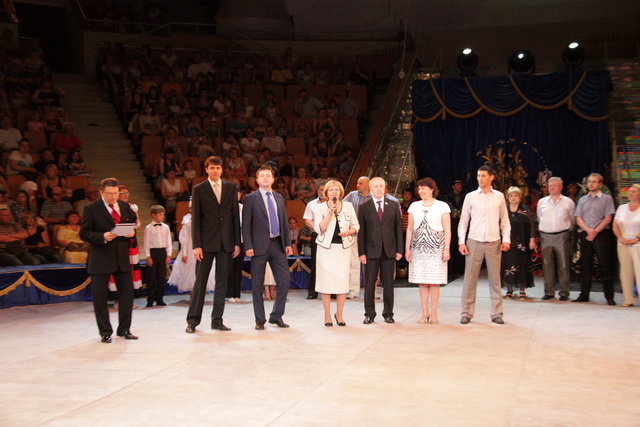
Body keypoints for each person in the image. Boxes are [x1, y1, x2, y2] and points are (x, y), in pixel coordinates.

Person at [185, 156, 241, 334]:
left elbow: (234, 217)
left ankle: (217, 320)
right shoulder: (199, 189)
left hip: (226, 242)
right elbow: (196, 219)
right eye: (212, 168)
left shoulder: (231, 187)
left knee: (222, 283)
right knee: (200, 282)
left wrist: (236, 243)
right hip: (206, 243)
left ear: (222, 169)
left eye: (218, 168)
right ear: (206, 169)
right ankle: (192, 321)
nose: (215, 170)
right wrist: (196, 245)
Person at [79, 177, 138, 343]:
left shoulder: (125, 207)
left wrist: (131, 233)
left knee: (127, 295)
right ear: (101, 192)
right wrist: (102, 236)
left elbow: (132, 224)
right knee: (100, 297)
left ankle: (124, 329)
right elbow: (84, 233)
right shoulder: (91, 208)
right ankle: (105, 332)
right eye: (110, 194)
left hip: (121, 258)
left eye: (116, 193)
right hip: (101, 258)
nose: (113, 197)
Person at [458, 165, 511, 325]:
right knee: (469, 279)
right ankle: (466, 312)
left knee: (495, 279)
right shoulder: (471, 196)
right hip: (474, 241)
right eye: (478, 176)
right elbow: (463, 221)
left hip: (493, 241)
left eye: (483, 176)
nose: (480, 179)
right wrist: (461, 241)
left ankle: (497, 313)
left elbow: (505, 220)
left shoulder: (499, 196)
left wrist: (506, 239)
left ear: (491, 177)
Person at [242, 166, 293, 330]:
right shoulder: (250, 198)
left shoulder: (279, 197)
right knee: (257, 285)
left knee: (284, 281)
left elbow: (284, 221)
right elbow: (246, 225)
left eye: (268, 176)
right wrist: (248, 246)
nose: (265, 178)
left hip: (278, 244)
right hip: (258, 247)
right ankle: (259, 319)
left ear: (272, 179)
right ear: (257, 180)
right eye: (262, 176)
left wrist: (287, 243)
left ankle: (276, 316)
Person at [313, 180, 360, 326]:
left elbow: (356, 225)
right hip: (326, 250)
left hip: (343, 249)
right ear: (326, 193)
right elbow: (319, 229)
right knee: (326, 282)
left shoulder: (348, 206)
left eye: (337, 190)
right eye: (331, 190)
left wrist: (349, 232)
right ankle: (327, 315)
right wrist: (329, 214)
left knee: (342, 283)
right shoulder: (320, 207)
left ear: (341, 192)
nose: (334, 192)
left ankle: (339, 315)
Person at [357, 177, 403, 325]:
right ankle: (369, 314)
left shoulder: (394, 205)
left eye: (381, 186)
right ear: (370, 189)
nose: (378, 189)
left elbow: (398, 229)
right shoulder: (364, 207)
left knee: (388, 284)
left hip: (389, 250)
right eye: (376, 186)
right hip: (370, 251)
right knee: (370, 284)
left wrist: (399, 250)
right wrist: (361, 252)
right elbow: (361, 232)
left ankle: (388, 314)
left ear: (385, 188)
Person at [405, 178, 451, 324]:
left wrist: (447, 249)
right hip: (418, 248)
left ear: (431, 189)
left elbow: (447, 229)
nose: (421, 191)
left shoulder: (442, 206)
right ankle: (424, 312)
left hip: (437, 248)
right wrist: (407, 248)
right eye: (419, 189)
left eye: (423, 188)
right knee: (423, 282)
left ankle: (434, 313)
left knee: (435, 282)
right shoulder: (414, 206)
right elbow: (410, 229)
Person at [573, 173, 616, 305]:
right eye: (589, 182)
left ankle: (609, 296)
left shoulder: (607, 199)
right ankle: (584, 294)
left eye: (594, 182)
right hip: (586, 233)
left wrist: (595, 231)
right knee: (586, 265)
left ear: (600, 184)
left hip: (601, 234)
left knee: (604, 264)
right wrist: (588, 230)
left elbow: (608, 218)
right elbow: (578, 218)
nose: (591, 184)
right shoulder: (583, 199)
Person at [537, 177, 575, 301]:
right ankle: (549, 291)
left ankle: (564, 292)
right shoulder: (542, 202)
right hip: (546, 236)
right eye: (550, 186)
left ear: (561, 187)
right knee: (547, 265)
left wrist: (566, 231)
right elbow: (539, 217)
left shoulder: (568, 202)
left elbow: (572, 219)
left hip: (562, 235)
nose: (552, 188)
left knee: (563, 264)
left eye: (555, 185)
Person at [168, 202, 216, 295]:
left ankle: (200, 293)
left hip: (203, 248)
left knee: (203, 270)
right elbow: (184, 238)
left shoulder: (204, 219)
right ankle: (193, 295)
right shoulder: (187, 221)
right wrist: (184, 253)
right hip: (190, 248)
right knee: (190, 272)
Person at [500, 187, 536, 300]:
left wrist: (532, 239)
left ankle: (522, 291)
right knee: (508, 265)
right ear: (507, 197)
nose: (513, 198)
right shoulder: (504, 209)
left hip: (523, 242)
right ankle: (509, 290)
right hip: (508, 242)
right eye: (511, 196)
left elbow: (532, 224)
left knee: (522, 265)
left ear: (520, 197)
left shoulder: (525, 209)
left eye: (516, 195)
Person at [343, 176, 371, 298]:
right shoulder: (352, 195)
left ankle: (371, 291)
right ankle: (353, 290)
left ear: (368, 185)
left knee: (369, 262)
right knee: (354, 261)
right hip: (354, 232)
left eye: (360, 183)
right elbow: (342, 206)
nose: (357, 185)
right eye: (357, 183)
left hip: (369, 233)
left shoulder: (374, 197)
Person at [612, 183, 640, 307]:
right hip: (623, 243)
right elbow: (615, 225)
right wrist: (621, 238)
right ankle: (628, 299)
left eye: (634, 191)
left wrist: (636, 238)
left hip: (637, 244)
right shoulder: (622, 208)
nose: (630, 193)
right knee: (625, 271)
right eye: (629, 191)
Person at [143, 205, 172, 307]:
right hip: (153, 252)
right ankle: (150, 299)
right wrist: (148, 256)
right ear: (153, 215)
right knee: (151, 278)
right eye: (160, 214)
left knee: (161, 277)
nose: (162, 216)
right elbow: (146, 243)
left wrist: (169, 255)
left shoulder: (166, 227)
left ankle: (160, 299)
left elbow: (169, 242)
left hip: (162, 252)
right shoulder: (148, 228)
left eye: (163, 214)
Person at [302, 183, 327, 299]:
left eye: (324, 190)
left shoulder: (334, 204)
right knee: (315, 263)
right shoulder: (311, 204)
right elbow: (307, 220)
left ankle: (331, 291)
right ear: (317, 191)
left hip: (331, 236)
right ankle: (313, 291)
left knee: (331, 264)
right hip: (316, 235)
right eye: (320, 189)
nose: (322, 192)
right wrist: (318, 228)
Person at [443, 178, 466, 275]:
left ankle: (459, 267)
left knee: (461, 243)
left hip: (461, 222)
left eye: (461, 184)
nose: (460, 186)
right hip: (451, 222)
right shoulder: (447, 197)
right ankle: (451, 268)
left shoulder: (464, 197)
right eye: (457, 184)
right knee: (451, 244)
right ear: (453, 186)